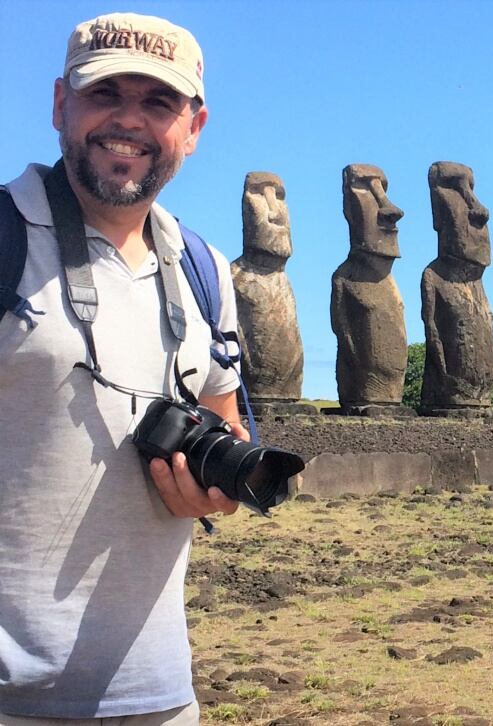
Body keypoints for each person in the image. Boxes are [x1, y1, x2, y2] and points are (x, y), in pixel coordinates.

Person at [0, 12, 244, 724]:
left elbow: (230, 432)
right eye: (105, 94)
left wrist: (216, 492)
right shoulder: (6, 237)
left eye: (158, 102)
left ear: (194, 127)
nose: (128, 122)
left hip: (158, 692)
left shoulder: (202, 269)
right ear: (59, 106)